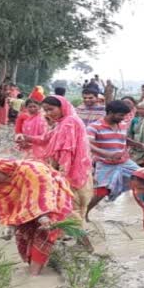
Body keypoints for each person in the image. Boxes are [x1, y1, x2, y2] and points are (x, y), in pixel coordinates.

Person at [0, 156, 73, 275]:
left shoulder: (33, 170)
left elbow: (44, 192)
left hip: (51, 201)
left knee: (43, 233)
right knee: (24, 233)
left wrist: (42, 216)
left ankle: (34, 275)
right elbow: (8, 206)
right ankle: (33, 265)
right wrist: (10, 226)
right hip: (25, 208)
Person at [17, 96, 93, 229]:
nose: (48, 114)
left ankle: (78, 238)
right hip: (75, 171)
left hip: (71, 171)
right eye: (45, 110)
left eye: (51, 109)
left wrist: (62, 175)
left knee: (70, 206)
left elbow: (66, 151)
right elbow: (45, 138)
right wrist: (26, 137)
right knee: (72, 207)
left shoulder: (69, 122)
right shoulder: (62, 122)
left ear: (62, 107)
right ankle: (74, 237)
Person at [86, 100, 144, 218]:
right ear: (111, 113)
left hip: (125, 161)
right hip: (105, 164)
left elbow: (124, 138)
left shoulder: (122, 125)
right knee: (101, 192)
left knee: (143, 177)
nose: (123, 118)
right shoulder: (94, 127)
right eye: (120, 115)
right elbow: (87, 144)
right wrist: (105, 153)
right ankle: (84, 213)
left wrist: (139, 145)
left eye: (124, 115)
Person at [14, 91, 48, 160]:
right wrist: (20, 140)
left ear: (39, 107)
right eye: (30, 107)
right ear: (26, 108)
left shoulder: (42, 119)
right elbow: (19, 131)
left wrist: (30, 139)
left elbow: (45, 137)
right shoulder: (25, 118)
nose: (32, 109)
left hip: (39, 149)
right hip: (26, 147)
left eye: (34, 106)